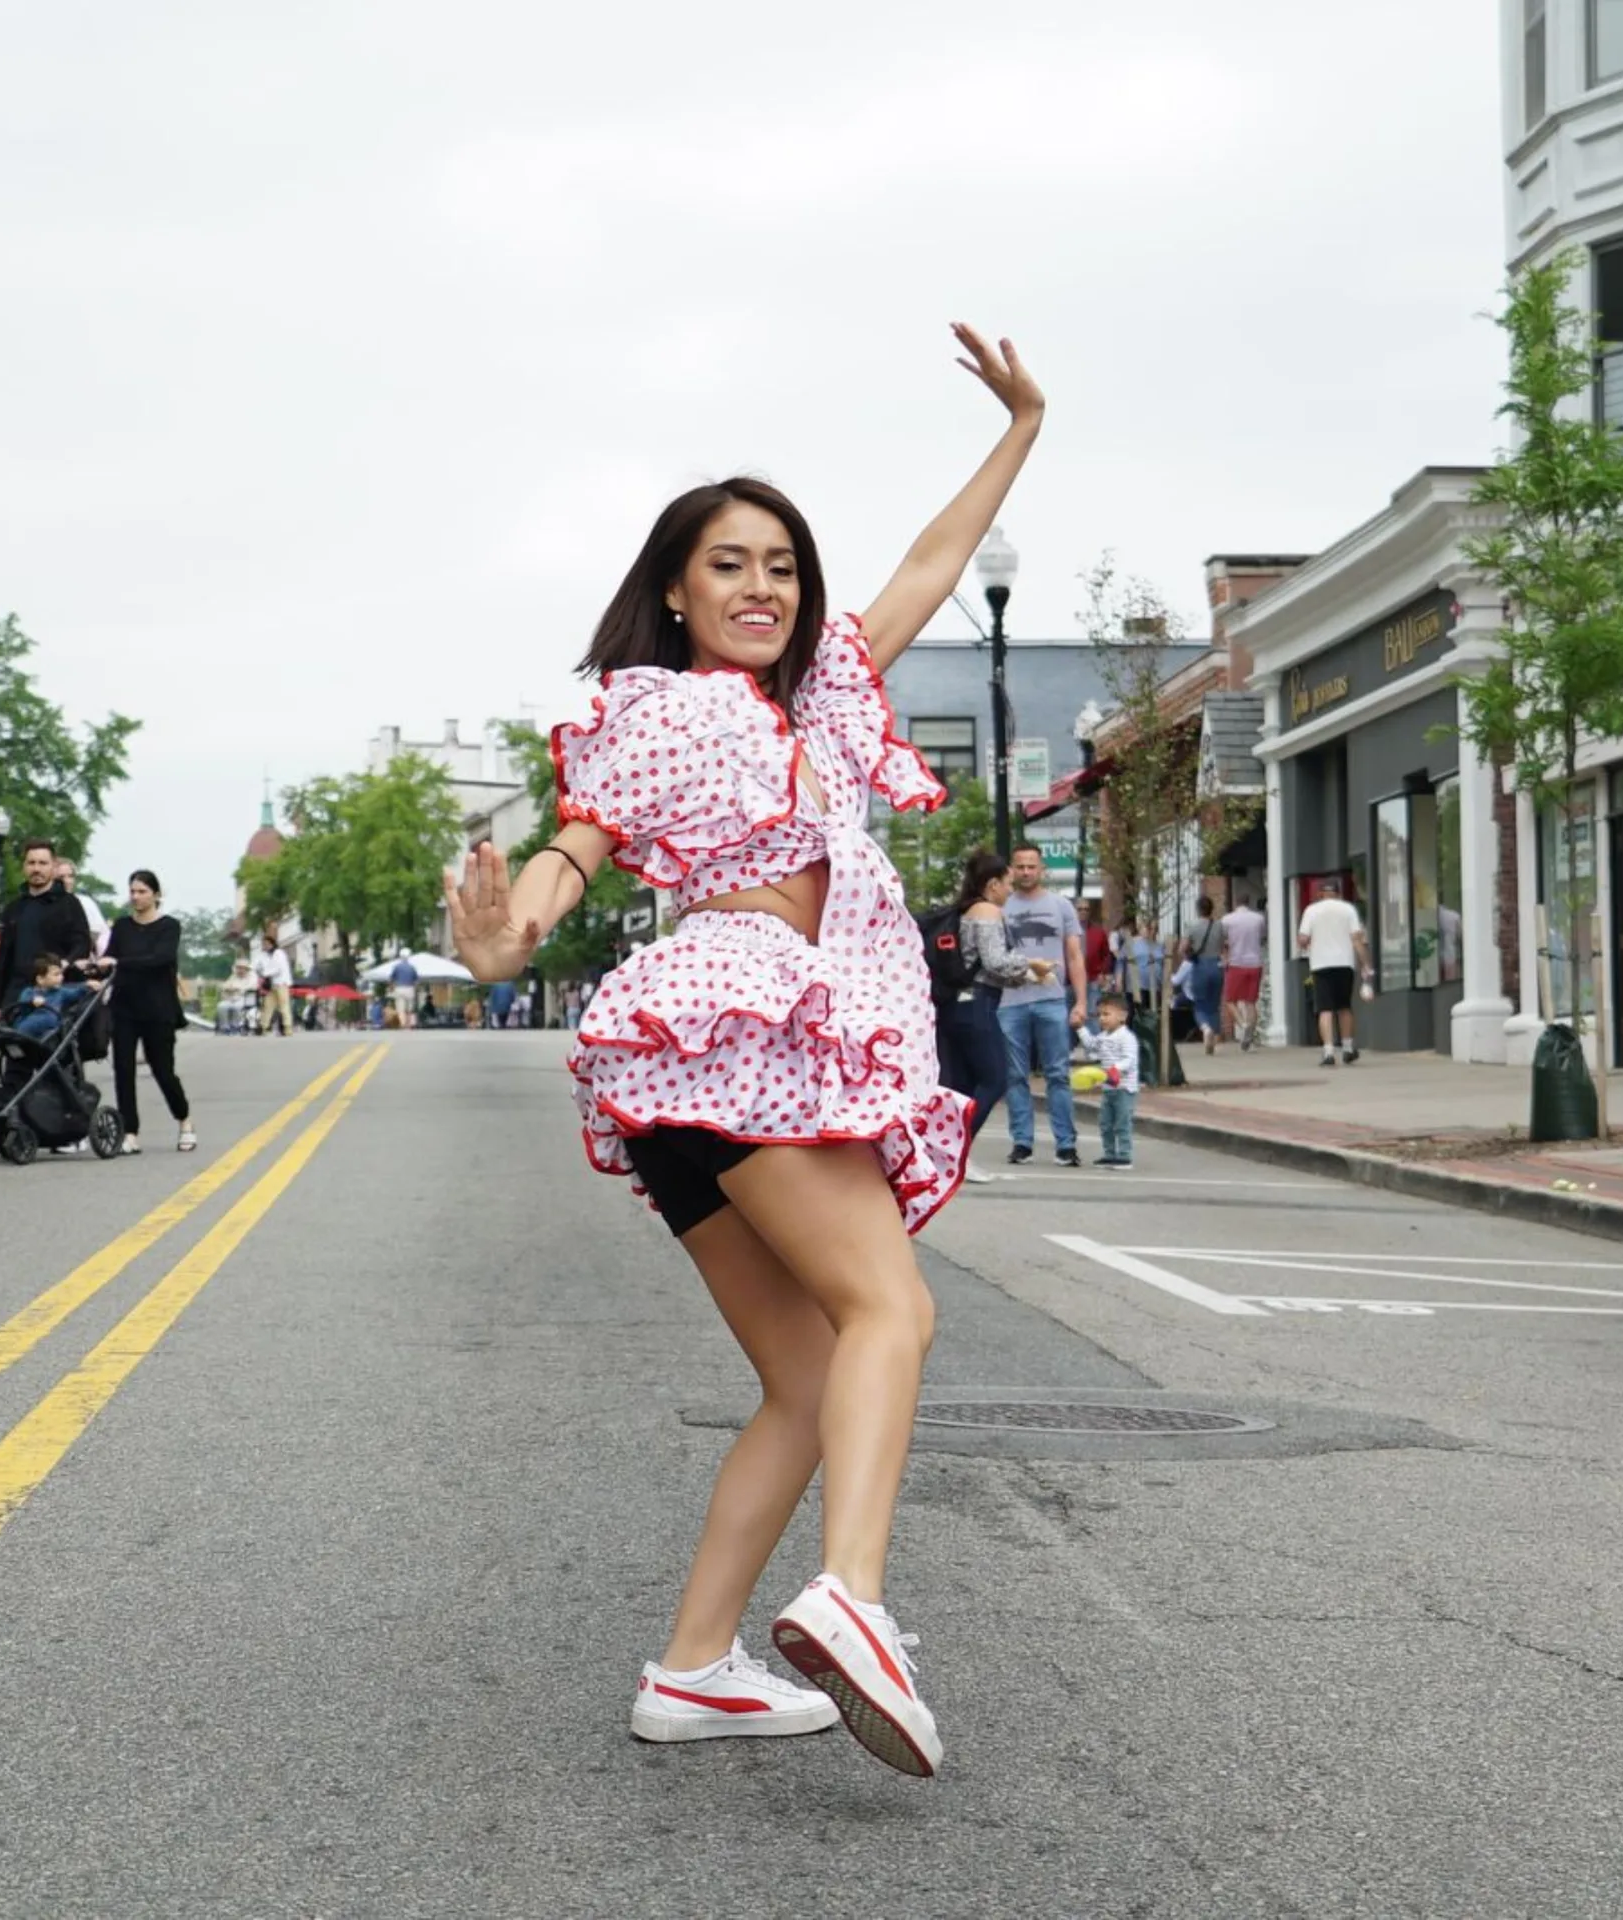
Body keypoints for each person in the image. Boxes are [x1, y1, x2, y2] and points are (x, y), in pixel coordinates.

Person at [445, 322, 1043, 1779]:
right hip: (739, 1025)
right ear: (675, 589)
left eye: (780, 565)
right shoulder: (657, 714)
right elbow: (571, 855)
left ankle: (695, 1670)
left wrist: (1019, 430)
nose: (761, 586)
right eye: (730, 564)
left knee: (804, 1372)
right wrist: (506, 939)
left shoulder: (822, 703)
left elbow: (923, 569)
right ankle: (855, 1598)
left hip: (707, 1067)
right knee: (891, 1311)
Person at [934, 848, 1055, 1185]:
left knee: (961, 1085)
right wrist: (1030, 965)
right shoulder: (986, 911)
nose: (1009, 890)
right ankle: (954, 1154)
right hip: (977, 1004)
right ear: (991, 885)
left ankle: (946, 1153)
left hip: (958, 1005)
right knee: (994, 1078)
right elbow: (994, 961)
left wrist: (1029, 975)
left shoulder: (965, 911)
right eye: (1006, 883)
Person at [998, 842, 1088, 1168]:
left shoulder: (1061, 906)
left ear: (1042, 869)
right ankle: (1022, 1142)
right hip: (1010, 1002)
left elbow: (1074, 956)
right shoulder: (1001, 907)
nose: (1025, 872)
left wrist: (1080, 1001)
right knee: (1014, 1075)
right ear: (1012, 869)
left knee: (1058, 1075)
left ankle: (1066, 1144)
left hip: (1051, 1000)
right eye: (1020, 866)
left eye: (1031, 866)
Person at [104, 869, 193, 1155]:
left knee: (163, 1070)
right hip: (124, 1005)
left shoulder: (169, 926)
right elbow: (109, 957)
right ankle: (129, 1131)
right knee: (123, 1069)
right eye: (132, 891)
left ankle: (184, 1120)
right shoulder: (121, 926)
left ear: (156, 894)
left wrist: (120, 962)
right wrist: (97, 970)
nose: (136, 897)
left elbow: (160, 959)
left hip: (158, 1007)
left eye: (142, 891)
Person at [0, 840, 94, 1010]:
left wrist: (64, 963)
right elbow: (4, 959)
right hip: (17, 994)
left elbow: (82, 943)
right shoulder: (14, 908)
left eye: (42, 863)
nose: (36, 869)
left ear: (53, 866)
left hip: (55, 994)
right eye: (31, 863)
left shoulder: (69, 904)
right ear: (24, 866)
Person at [1297, 879, 1372, 1066]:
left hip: (1321, 965)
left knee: (1325, 1009)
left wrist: (1307, 944)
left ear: (1320, 893)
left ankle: (1329, 1051)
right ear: (1339, 893)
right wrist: (1365, 964)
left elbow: (1303, 938)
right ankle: (1347, 1048)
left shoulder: (1311, 911)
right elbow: (1357, 940)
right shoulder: (1348, 910)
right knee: (1344, 1007)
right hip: (1344, 963)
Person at [1077, 991, 1142, 1170]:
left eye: (1107, 1014)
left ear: (1122, 1016)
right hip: (1109, 1089)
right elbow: (1091, 1045)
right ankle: (1109, 1154)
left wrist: (1116, 1069)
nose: (1102, 1019)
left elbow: (1129, 1059)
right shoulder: (1103, 1036)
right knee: (1105, 1123)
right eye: (1100, 1015)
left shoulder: (1126, 1037)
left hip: (1124, 1089)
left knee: (1122, 1122)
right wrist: (1080, 1028)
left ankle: (1124, 1156)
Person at [9, 954, 103, 1043]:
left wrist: (86, 985)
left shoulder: (61, 992)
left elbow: (75, 992)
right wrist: (32, 1001)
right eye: (56, 975)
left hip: (49, 1022)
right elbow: (22, 1003)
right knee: (20, 1021)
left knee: (43, 1020)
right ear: (40, 979)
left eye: (61, 974)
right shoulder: (29, 992)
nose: (61, 978)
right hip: (29, 1021)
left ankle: (17, 1038)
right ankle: (16, 1039)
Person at [1220, 893, 1267, 1052]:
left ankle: (1243, 1024)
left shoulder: (1227, 920)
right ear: (1248, 903)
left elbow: (1223, 941)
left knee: (1230, 999)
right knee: (1250, 1001)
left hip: (1236, 963)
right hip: (1255, 963)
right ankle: (1249, 1037)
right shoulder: (1258, 918)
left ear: (1235, 902)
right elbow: (1261, 937)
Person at [1181, 895, 1226, 1055]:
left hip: (1200, 966)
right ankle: (1213, 1036)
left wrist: (1189, 953)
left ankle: (1205, 1028)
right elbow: (1224, 944)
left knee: (1200, 1003)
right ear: (1211, 909)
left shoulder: (1192, 927)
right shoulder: (1220, 926)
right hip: (1216, 965)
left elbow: (1183, 947)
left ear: (1197, 909)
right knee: (1214, 1005)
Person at [55, 858, 112, 959]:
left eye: (70, 876)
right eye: (61, 877)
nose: (67, 881)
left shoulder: (86, 903)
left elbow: (100, 935)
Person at [256, 935, 293, 1036]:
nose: (264, 946)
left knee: (283, 1006)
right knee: (268, 1005)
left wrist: (265, 974)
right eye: (263, 944)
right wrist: (260, 971)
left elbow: (277, 969)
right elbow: (259, 966)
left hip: (281, 983)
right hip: (272, 984)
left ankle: (287, 1027)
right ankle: (263, 1027)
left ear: (271, 944)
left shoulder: (279, 953)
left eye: (266, 944)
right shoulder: (265, 955)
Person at [1078, 899, 1112, 993]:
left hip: (1092, 980)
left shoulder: (1099, 932)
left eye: (1086, 909)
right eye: (1080, 909)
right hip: (1071, 981)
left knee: (1091, 1008)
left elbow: (1106, 955)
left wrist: (1103, 972)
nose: (1083, 911)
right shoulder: (1068, 932)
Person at [389, 954, 419, 1029]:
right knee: (409, 1008)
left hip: (399, 988)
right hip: (410, 988)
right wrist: (415, 989)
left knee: (400, 1008)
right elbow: (416, 980)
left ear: (401, 958)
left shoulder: (397, 967)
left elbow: (391, 978)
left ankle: (403, 1024)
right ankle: (408, 1024)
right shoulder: (412, 967)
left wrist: (392, 987)